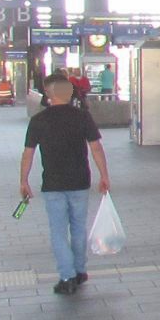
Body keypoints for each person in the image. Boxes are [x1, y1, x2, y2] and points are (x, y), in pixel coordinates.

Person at [20, 71, 111, 297]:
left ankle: (67, 277)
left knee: (58, 231)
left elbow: (28, 153)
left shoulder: (39, 120)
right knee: (79, 228)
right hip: (80, 181)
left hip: (53, 184)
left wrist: (23, 181)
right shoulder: (82, 117)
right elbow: (96, 148)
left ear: (48, 94)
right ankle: (79, 271)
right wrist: (104, 175)